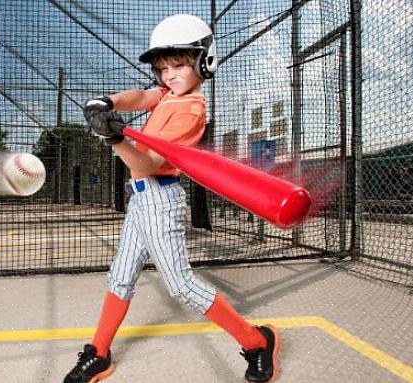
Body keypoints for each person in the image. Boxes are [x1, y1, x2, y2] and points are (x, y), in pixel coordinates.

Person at [64, 14, 280, 383]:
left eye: (179, 65)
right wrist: (108, 102)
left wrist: (115, 139)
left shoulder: (191, 110)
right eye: (163, 68)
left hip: (160, 199)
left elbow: (146, 164)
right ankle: (99, 354)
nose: (170, 75)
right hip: (140, 201)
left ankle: (257, 341)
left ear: (202, 62)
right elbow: (142, 96)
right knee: (120, 276)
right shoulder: (165, 95)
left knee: (180, 284)